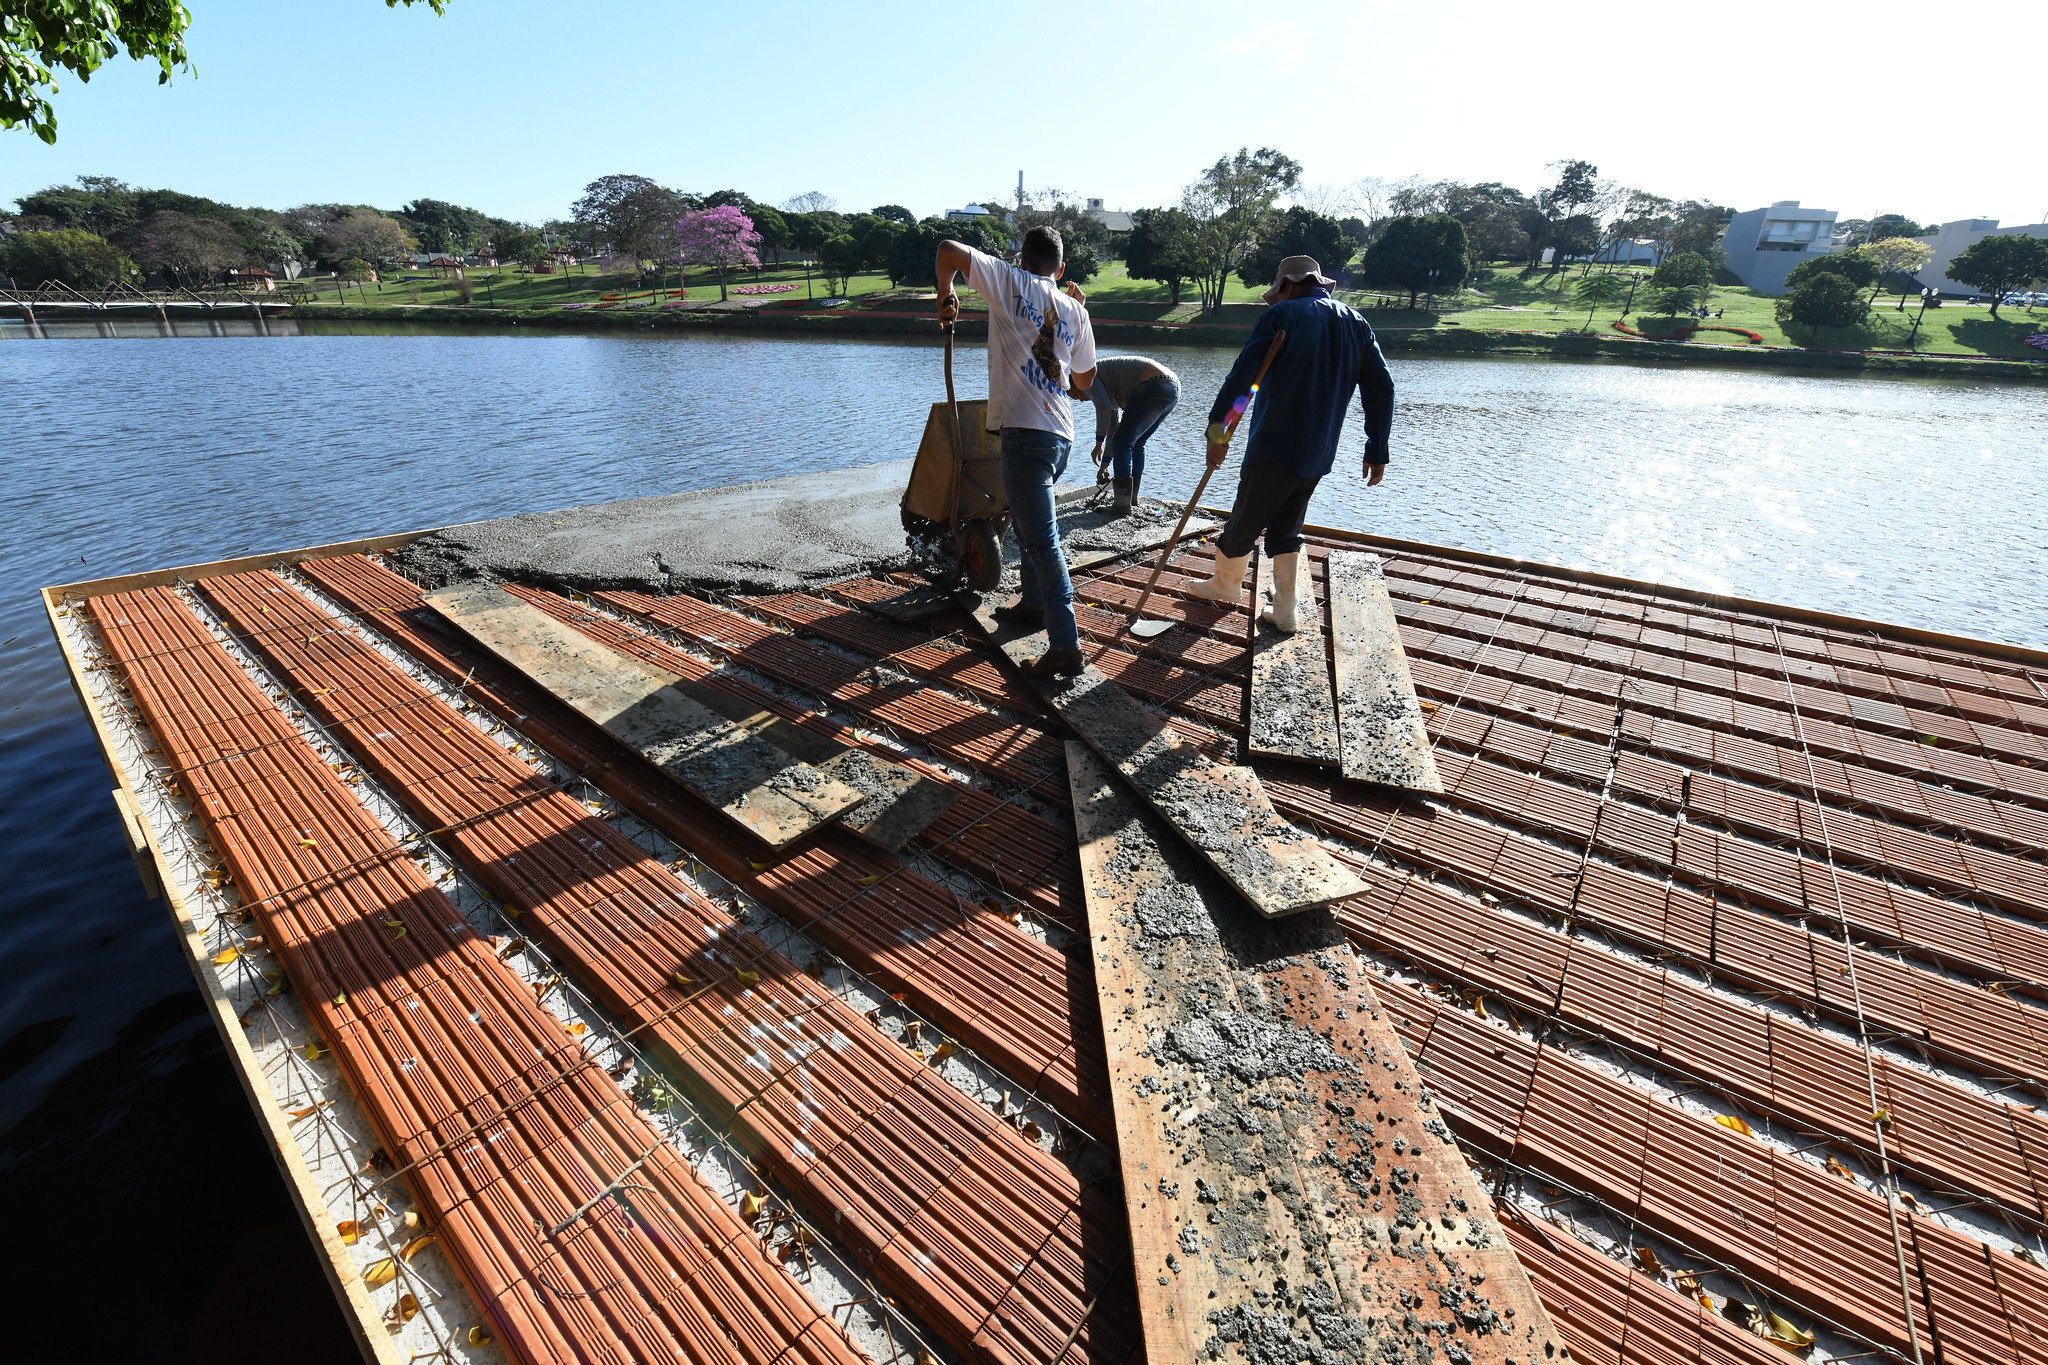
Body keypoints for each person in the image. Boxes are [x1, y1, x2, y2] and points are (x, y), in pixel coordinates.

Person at [1186, 254, 1394, 634]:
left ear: (1287, 285)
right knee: (1287, 526)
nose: (1276, 300)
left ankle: (1226, 585)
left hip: (1274, 444)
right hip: (1318, 452)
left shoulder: (1281, 316)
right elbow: (1382, 386)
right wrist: (1377, 446)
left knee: (1245, 520)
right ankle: (1285, 610)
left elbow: (1243, 382)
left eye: (1277, 293)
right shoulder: (1357, 322)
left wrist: (1218, 434)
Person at [935, 226, 1098, 675]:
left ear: (1023, 258)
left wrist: (945, 291)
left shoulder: (1008, 280)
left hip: (1026, 437)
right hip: (1061, 436)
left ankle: (1066, 645)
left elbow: (948, 249)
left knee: (1044, 543)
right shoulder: (1075, 310)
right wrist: (1072, 327)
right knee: (1031, 525)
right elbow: (1084, 381)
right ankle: (1032, 604)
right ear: (1061, 269)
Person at [1085, 356, 1180, 515]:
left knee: (1124, 444)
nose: (1080, 400)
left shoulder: (1086, 377)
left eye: (1074, 395)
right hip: (1172, 387)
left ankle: (1121, 506)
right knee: (1135, 443)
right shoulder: (1107, 386)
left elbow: (1102, 408)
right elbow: (1113, 429)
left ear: (1075, 384)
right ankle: (1131, 500)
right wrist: (1105, 463)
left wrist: (1098, 444)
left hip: (1154, 384)